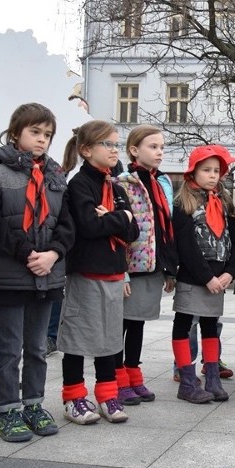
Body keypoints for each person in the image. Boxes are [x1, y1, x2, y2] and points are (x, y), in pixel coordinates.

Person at [0, 103, 73, 442]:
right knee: (9, 348)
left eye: (47, 134)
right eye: (35, 132)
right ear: (16, 132)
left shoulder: (56, 177)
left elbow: (66, 223)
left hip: (47, 275)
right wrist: (28, 253)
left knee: (37, 347)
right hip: (11, 275)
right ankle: (7, 411)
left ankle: (33, 404)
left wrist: (52, 254)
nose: (42, 140)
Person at [57, 120, 140, 424]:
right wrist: (121, 218)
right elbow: (89, 226)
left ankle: (107, 393)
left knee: (109, 339)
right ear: (86, 150)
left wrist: (117, 217)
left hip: (114, 274)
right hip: (87, 273)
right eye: (108, 144)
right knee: (78, 337)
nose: (114, 150)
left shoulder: (114, 185)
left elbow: (133, 231)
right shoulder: (80, 184)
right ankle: (74, 396)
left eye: (116, 144)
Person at [113, 124, 178, 405]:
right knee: (122, 324)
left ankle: (134, 372)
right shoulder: (123, 183)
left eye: (162, 147)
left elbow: (165, 226)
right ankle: (117, 377)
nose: (159, 152)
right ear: (134, 150)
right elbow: (120, 230)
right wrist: (122, 272)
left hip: (153, 264)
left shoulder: (161, 182)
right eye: (153, 147)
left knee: (138, 323)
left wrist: (169, 268)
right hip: (132, 266)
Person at [171, 145, 235, 403]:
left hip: (219, 277)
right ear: (193, 172)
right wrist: (206, 277)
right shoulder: (183, 203)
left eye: (217, 171)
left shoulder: (224, 202)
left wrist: (229, 273)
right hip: (194, 276)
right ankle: (187, 379)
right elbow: (186, 246)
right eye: (206, 170)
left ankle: (212, 376)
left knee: (211, 326)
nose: (213, 175)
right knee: (184, 321)